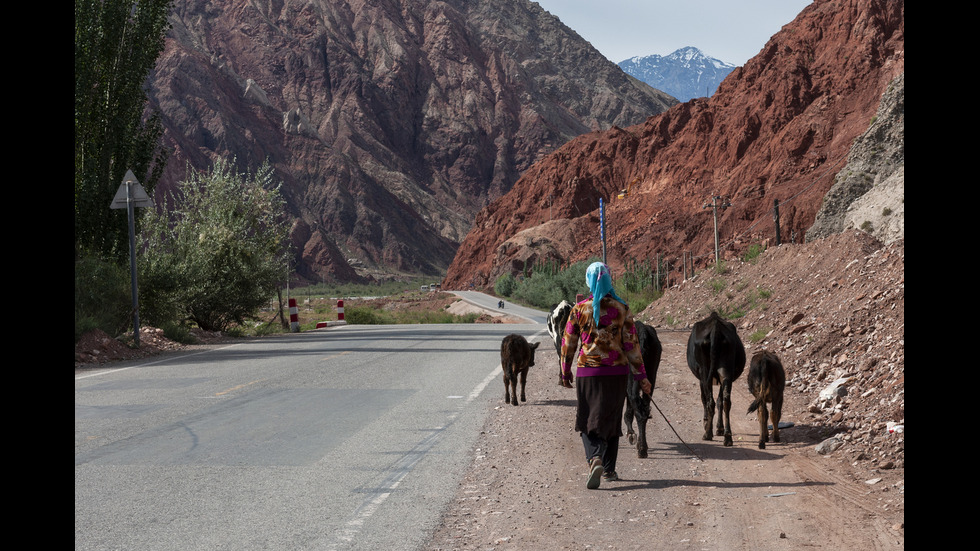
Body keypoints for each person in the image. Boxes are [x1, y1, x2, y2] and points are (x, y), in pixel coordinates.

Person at [559, 262, 652, 489]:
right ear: (609, 280)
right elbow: (632, 346)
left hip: (588, 372)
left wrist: (565, 371)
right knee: (611, 417)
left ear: (589, 281)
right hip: (617, 373)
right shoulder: (622, 309)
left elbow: (568, 343)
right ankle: (609, 470)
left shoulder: (579, 309)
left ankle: (594, 458)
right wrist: (642, 377)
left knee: (587, 416)